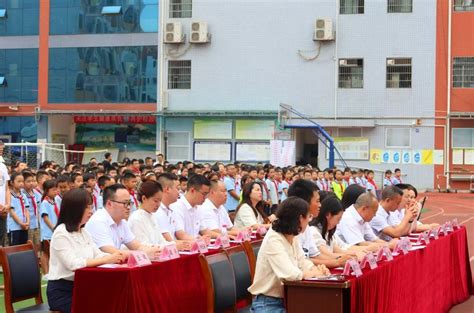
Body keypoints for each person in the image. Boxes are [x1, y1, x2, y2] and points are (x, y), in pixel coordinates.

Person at [47, 188, 125, 313]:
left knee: (113, 301)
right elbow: (74, 264)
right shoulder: (61, 233)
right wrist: (108, 258)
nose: (91, 211)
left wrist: (117, 257)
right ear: (75, 209)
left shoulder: (84, 232)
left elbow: (97, 254)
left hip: (82, 286)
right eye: (87, 208)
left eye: (91, 207)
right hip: (63, 291)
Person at [248, 197, 330, 312]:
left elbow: (302, 262)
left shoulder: (292, 235)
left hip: (290, 298)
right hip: (268, 303)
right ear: (300, 218)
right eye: (309, 217)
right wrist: (312, 273)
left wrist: (318, 269)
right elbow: (289, 274)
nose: (309, 221)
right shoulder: (274, 238)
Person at [85, 184, 161, 258]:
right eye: (124, 203)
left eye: (129, 203)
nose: (128, 207)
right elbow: (112, 252)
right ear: (109, 204)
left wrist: (154, 250)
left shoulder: (121, 221)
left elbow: (136, 246)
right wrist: (143, 253)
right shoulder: (98, 221)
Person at [310, 196, 368, 261]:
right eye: (338, 219)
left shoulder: (328, 232)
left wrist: (356, 253)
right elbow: (328, 255)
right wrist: (352, 256)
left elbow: (339, 250)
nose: (338, 223)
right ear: (328, 215)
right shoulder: (314, 232)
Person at [171, 174, 213, 240]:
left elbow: (204, 231)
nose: (205, 198)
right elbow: (180, 235)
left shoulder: (198, 207)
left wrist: (221, 236)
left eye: (207, 194)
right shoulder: (177, 206)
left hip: (196, 245)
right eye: (204, 194)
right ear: (192, 190)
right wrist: (199, 241)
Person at [128, 180, 167, 246]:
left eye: (160, 201)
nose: (158, 204)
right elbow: (144, 246)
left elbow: (161, 241)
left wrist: (175, 244)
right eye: (155, 201)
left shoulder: (152, 216)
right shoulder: (136, 218)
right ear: (144, 198)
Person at [40, 179, 60, 276]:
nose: (56, 191)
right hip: (48, 232)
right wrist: (52, 227)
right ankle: (46, 272)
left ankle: (51, 271)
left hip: (54, 231)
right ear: (47, 191)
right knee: (45, 252)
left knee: (52, 252)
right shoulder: (45, 202)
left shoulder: (55, 201)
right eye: (53, 190)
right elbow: (45, 217)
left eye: (56, 189)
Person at [7, 172, 30, 245]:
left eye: (22, 181)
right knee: (14, 248)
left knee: (23, 247)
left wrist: (27, 223)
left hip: (24, 226)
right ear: (12, 182)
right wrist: (21, 223)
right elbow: (12, 212)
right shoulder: (9, 195)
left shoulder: (23, 195)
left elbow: (26, 210)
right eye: (18, 181)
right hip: (14, 227)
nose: (21, 183)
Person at [0, 141, 10, 246]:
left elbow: (7, 188)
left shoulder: (2, 166)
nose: (1, 149)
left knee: (1, 243)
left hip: (3, 212)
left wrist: (7, 205)